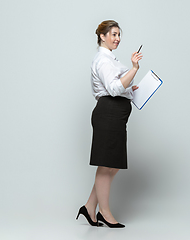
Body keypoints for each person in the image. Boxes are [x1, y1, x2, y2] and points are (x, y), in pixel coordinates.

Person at [76, 20, 143, 228]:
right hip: (108, 115)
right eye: (113, 34)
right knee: (106, 166)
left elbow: (120, 88)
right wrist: (134, 69)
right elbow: (113, 89)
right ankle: (104, 212)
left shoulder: (112, 60)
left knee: (112, 165)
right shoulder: (103, 60)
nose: (117, 38)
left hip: (116, 116)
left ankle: (89, 207)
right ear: (102, 36)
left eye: (119, 35)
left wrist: (132, 89)